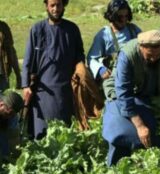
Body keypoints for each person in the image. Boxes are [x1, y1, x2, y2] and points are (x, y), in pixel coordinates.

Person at [102, 30, 160, 166]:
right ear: (141, 47)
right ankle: (115, 171)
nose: (154, 58)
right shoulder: (127, 55)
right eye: (149, 55)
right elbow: (123, 93)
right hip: (121, 94)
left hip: (150, 94)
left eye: (157, 55)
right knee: (121, 132)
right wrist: (140, 125)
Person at [21, 0, 85, 139]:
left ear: (64, 6)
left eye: (59, 5)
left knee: (64, 135)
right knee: (41, 135)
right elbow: (28, 59)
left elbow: (80, 55)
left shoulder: (72, 29)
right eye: (52, 5)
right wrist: (26, 85)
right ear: (47, 6)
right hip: (42, 91)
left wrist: (80, 72)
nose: (56, 9)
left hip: (65, 90)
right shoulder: (37, 29)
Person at [87, 0, 141, 99]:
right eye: (120, 17)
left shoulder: (133, 30)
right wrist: (100, 69)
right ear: (111, 16)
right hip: (114, 76)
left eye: (126, 16)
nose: (124, 20)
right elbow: (91, 58)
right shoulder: (104, 35)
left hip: (135, 72)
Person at [0, 91, 23, 161]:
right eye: (7, 114)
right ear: (1, 104)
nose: (10, 117)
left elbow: (14, 138)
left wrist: (17, 161)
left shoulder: (13, 117)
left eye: (12, 115)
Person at [0, 20, 21, 92]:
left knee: (3, 100)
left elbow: (11, 50)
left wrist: (18, 75)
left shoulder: (3, 27)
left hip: (3, 73)